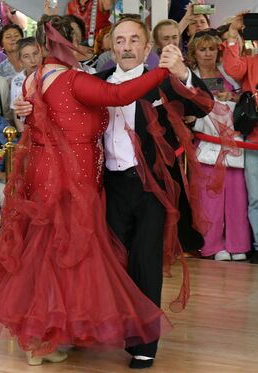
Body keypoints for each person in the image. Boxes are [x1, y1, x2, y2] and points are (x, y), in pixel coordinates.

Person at [0, 14, 187, 366]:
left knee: (44, 257)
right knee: (58, 259)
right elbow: (118, 94)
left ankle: (48, 335)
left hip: (49, 174)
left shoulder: (32, 79)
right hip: (69, 178)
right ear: (67, 43)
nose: (84, 47)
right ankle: (40, 339)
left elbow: (38, 115)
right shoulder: (71, 80)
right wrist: (162, 70)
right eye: (79, 40)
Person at [95, 17, 212, 368]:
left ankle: (145, 343)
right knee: (113, 263)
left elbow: (202, 104)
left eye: (134, 40)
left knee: (145, 262)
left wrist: (183, 72)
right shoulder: (97, 84)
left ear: (147, 48)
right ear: (111, 47)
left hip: (152, 188)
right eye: (120, 40)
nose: (127, 46)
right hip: (109, 188)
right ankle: (114, 329)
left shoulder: (163, 81)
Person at [187, 30, 250, 261]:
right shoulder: (189, 78)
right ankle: (212, 245)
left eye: (211, 49)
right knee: (209, 200)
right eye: (202, 49)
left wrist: (231, 99)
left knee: (237, 197)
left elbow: (244, 105)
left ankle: (238, 244)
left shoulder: (230, 76)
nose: (207, 54)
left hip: (233, 143)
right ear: (194, 52)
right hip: (206, 146)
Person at [222, 12, 258, 264]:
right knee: (256, 196)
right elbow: (234, 69)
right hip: (253, 138)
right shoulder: (251, 59)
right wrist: (233, 34)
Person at [10, 37, 42, 132]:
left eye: (35, 54)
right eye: (26, 56)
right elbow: (16, 111)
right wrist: (23, 134)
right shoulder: (17, 81)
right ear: (20, 61)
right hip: (28, 129)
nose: (33, 60)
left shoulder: (50, 75)